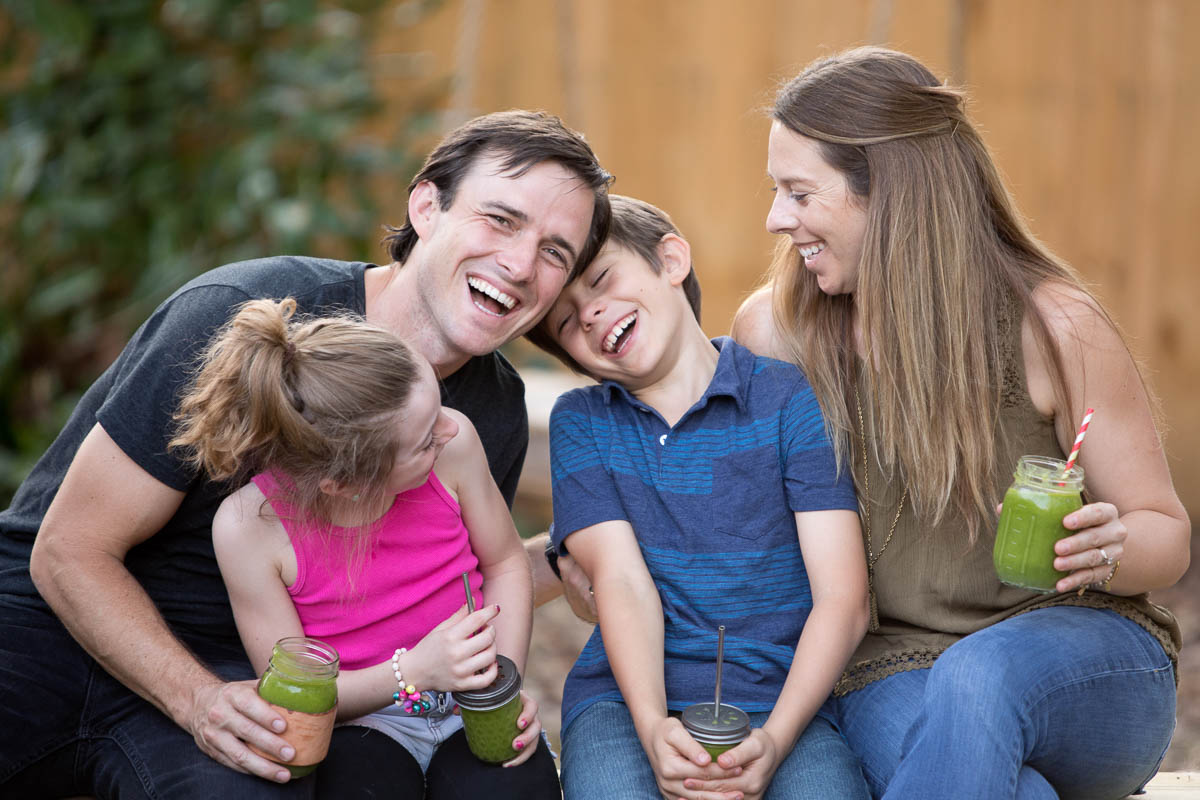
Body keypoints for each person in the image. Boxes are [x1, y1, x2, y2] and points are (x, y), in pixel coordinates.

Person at [0, 109, 610, 798]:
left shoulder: (481, 416)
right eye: (500, 219)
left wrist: (576, 557)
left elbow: (426, 579)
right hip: (49, 630)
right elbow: (68, 550)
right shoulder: (243, 316)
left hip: (251, 678)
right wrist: (194, 699)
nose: (521, 263)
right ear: (426, 206)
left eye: (556, 251)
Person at [732, 47, 1188, 800]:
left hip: (1090, 664)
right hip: (893, 665)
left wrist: (1108, 547)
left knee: (982, 674)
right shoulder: (778, 336)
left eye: (799, 193)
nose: (776, 219)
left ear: (892, 195)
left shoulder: (1053, 328)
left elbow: (1164, 535)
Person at [530, 195, 871, 800]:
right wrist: (654, 729)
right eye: (564, 322)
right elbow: (622, 581)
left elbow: (843, 599)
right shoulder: (581, 423)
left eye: (602, 279)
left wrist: (777, 739)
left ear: (671, 259)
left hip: (783, 698)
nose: (588, 314)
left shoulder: (789, 399)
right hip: (625, 699)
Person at [171, 297, 560, 797]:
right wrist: (414, 671)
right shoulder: (250, 529)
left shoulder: (453, 444)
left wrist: (501, 685)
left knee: (510, 787)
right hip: (362, 720)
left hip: (471, 700)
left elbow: (506, 562)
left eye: (438, 408)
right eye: (424, 440)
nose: (448, 428)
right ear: (345, 484)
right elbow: (299, 697)